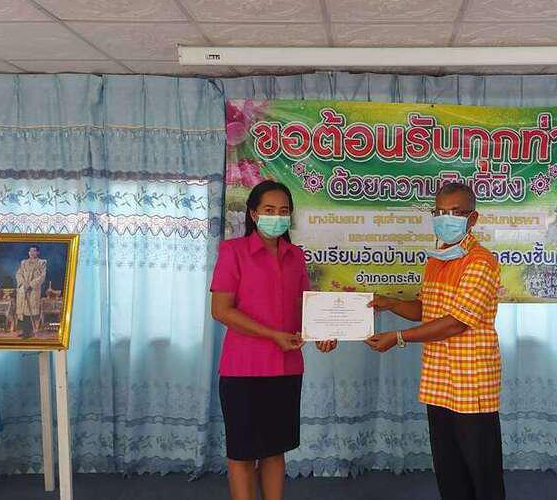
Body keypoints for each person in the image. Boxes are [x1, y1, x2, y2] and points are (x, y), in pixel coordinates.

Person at [365, 182, 504, 500]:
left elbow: (456, 322)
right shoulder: (437, 259)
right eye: (440, 212)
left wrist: (398, 337)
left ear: (473, 219)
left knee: (482, 473)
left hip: (471, 383)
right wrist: (390, 303)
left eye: (455, 212)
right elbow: (426, 311)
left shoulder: (480, 262)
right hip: (439, 381)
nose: (446, 219)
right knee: (449, 470)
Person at [210, 181, 337, 500]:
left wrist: (322, 331)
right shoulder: (233, 252)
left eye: (283, 211)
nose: (276, 217)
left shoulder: (295, 256)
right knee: (242, 455)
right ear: (253, 214)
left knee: (274, 451)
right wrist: (272, 335)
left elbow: (304, 307)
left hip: (286, 368)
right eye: (269, 210)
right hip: (243, 370)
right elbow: (221, 310)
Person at [15, 245, 46, 338]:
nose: (32, 253)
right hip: (23, 289)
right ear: (28, 252)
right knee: (23, 310)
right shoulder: (23, 262)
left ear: (38, 252)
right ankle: (25, 331)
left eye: (34, 251)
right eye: (30, 251)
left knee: (30, 310)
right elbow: (19, 274)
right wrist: (24, 283)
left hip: (33, 290)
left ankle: (29, 332)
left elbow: (42, 276)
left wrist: (31, 285)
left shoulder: (41, 263)